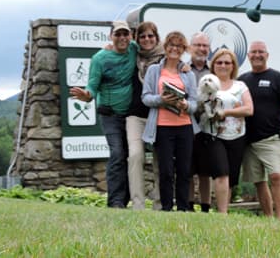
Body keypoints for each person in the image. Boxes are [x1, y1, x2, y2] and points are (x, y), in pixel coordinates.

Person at [70, 20, 137, 208]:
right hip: (110, 115)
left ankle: (125, 200)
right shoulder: (100, 58)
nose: (122, 38)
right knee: (117, 154)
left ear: (130, 36)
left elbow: (156, 50)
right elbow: (92, 85)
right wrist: (87, 95)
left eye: (126, 34)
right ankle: (115, 202)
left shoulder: (134, 49)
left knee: (131, 156)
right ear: (111, 37)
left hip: (131, 115)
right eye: (118, 34)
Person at [238, 40, 280, 220]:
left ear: (267, 55)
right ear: (248, 56)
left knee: (276, 176)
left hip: (271, 138)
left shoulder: (277, 78)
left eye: (261, 52)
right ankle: (269, 218)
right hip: (248, 140)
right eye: (253, 52)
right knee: (259, 181)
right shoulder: (242, 80)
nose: (257, 55)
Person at [141, 31, 200, 211]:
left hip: (185, 127)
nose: (175, 49)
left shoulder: (187, 72)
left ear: (184, 50)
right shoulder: (154, 70)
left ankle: (183, 208)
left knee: (184, 171)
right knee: (166, 171)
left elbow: (195, 102)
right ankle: (166, 207)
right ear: (165, 48)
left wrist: (185, 105)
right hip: (162, 127)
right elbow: (145, 97)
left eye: (179, 46)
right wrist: (162, 100)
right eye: (171, 45)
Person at [194, 49, 253, 213]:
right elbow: (199, 105)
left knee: (231, 179)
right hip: (213, 135)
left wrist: (226, 113)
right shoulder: (207, 83)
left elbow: (249, 109)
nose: (223, 65)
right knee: (222, 173)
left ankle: (223, 211)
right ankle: (222, 215)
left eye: (227, 62)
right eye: (219, 62)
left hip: (237, 136)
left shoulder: (240, 86)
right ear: (213, 65)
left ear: (233, 65)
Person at [126, 21, 164, 210]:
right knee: (135, 155)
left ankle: (159, 204)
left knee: (160, 159)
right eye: (143, 36)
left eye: (150, 36)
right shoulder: (131, 56)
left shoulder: (166, 59)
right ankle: (138, 205)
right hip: (135, 116)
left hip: (159, 115)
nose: (147, 39)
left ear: (156, 38)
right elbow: (114, 50)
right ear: (137, 39)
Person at [187, 32, 212, 213]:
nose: (201, 49)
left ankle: (205, 207)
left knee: (205, 170)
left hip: (207, 125)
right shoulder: (182, 69)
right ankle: (188, 205)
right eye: (198, 45)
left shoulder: (214, 71)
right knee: (187, 168)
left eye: (205, 46)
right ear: (190, 47)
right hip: (186, 123)